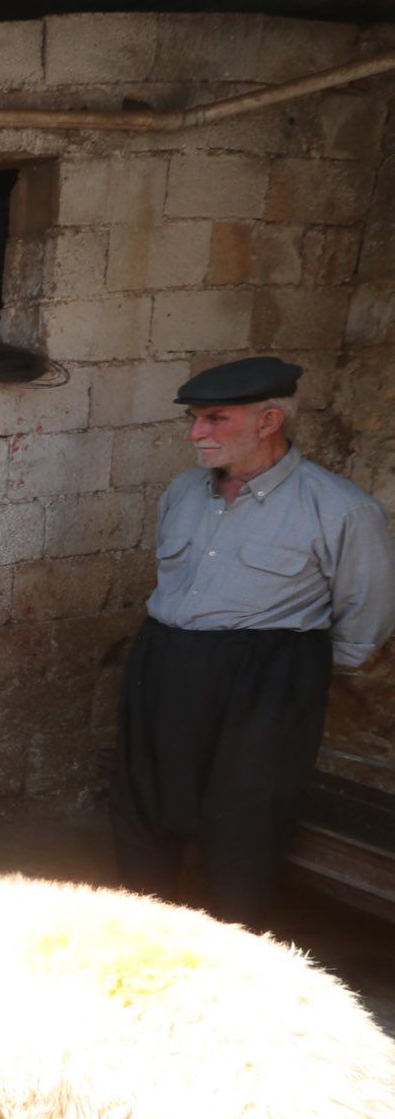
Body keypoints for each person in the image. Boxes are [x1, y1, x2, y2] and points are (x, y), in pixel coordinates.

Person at [111, 355, 395, 925]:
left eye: (215, 419)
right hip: (167, 659)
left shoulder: (340, 508)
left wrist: (299, 676)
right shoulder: (184, 492)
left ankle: (237, 949)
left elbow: (366, 614)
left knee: (246, 817)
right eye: (194, 419)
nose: (196, 434)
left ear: (268, 422)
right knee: (144, 798)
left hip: (269, 676)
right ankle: (141, 931)